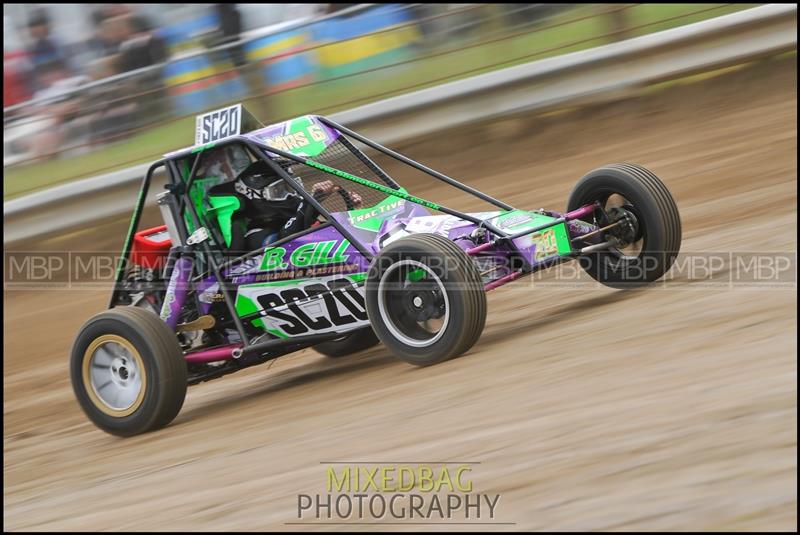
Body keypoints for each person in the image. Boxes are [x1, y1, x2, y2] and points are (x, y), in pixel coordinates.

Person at [208, 159, 363, 252]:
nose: (290, 196)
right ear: (254, 196)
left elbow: (333, 236)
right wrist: (311, 202)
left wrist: (355, 212)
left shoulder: (299, 220)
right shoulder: (255, 236)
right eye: (280, 191)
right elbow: (286, 241)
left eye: (291, 188)